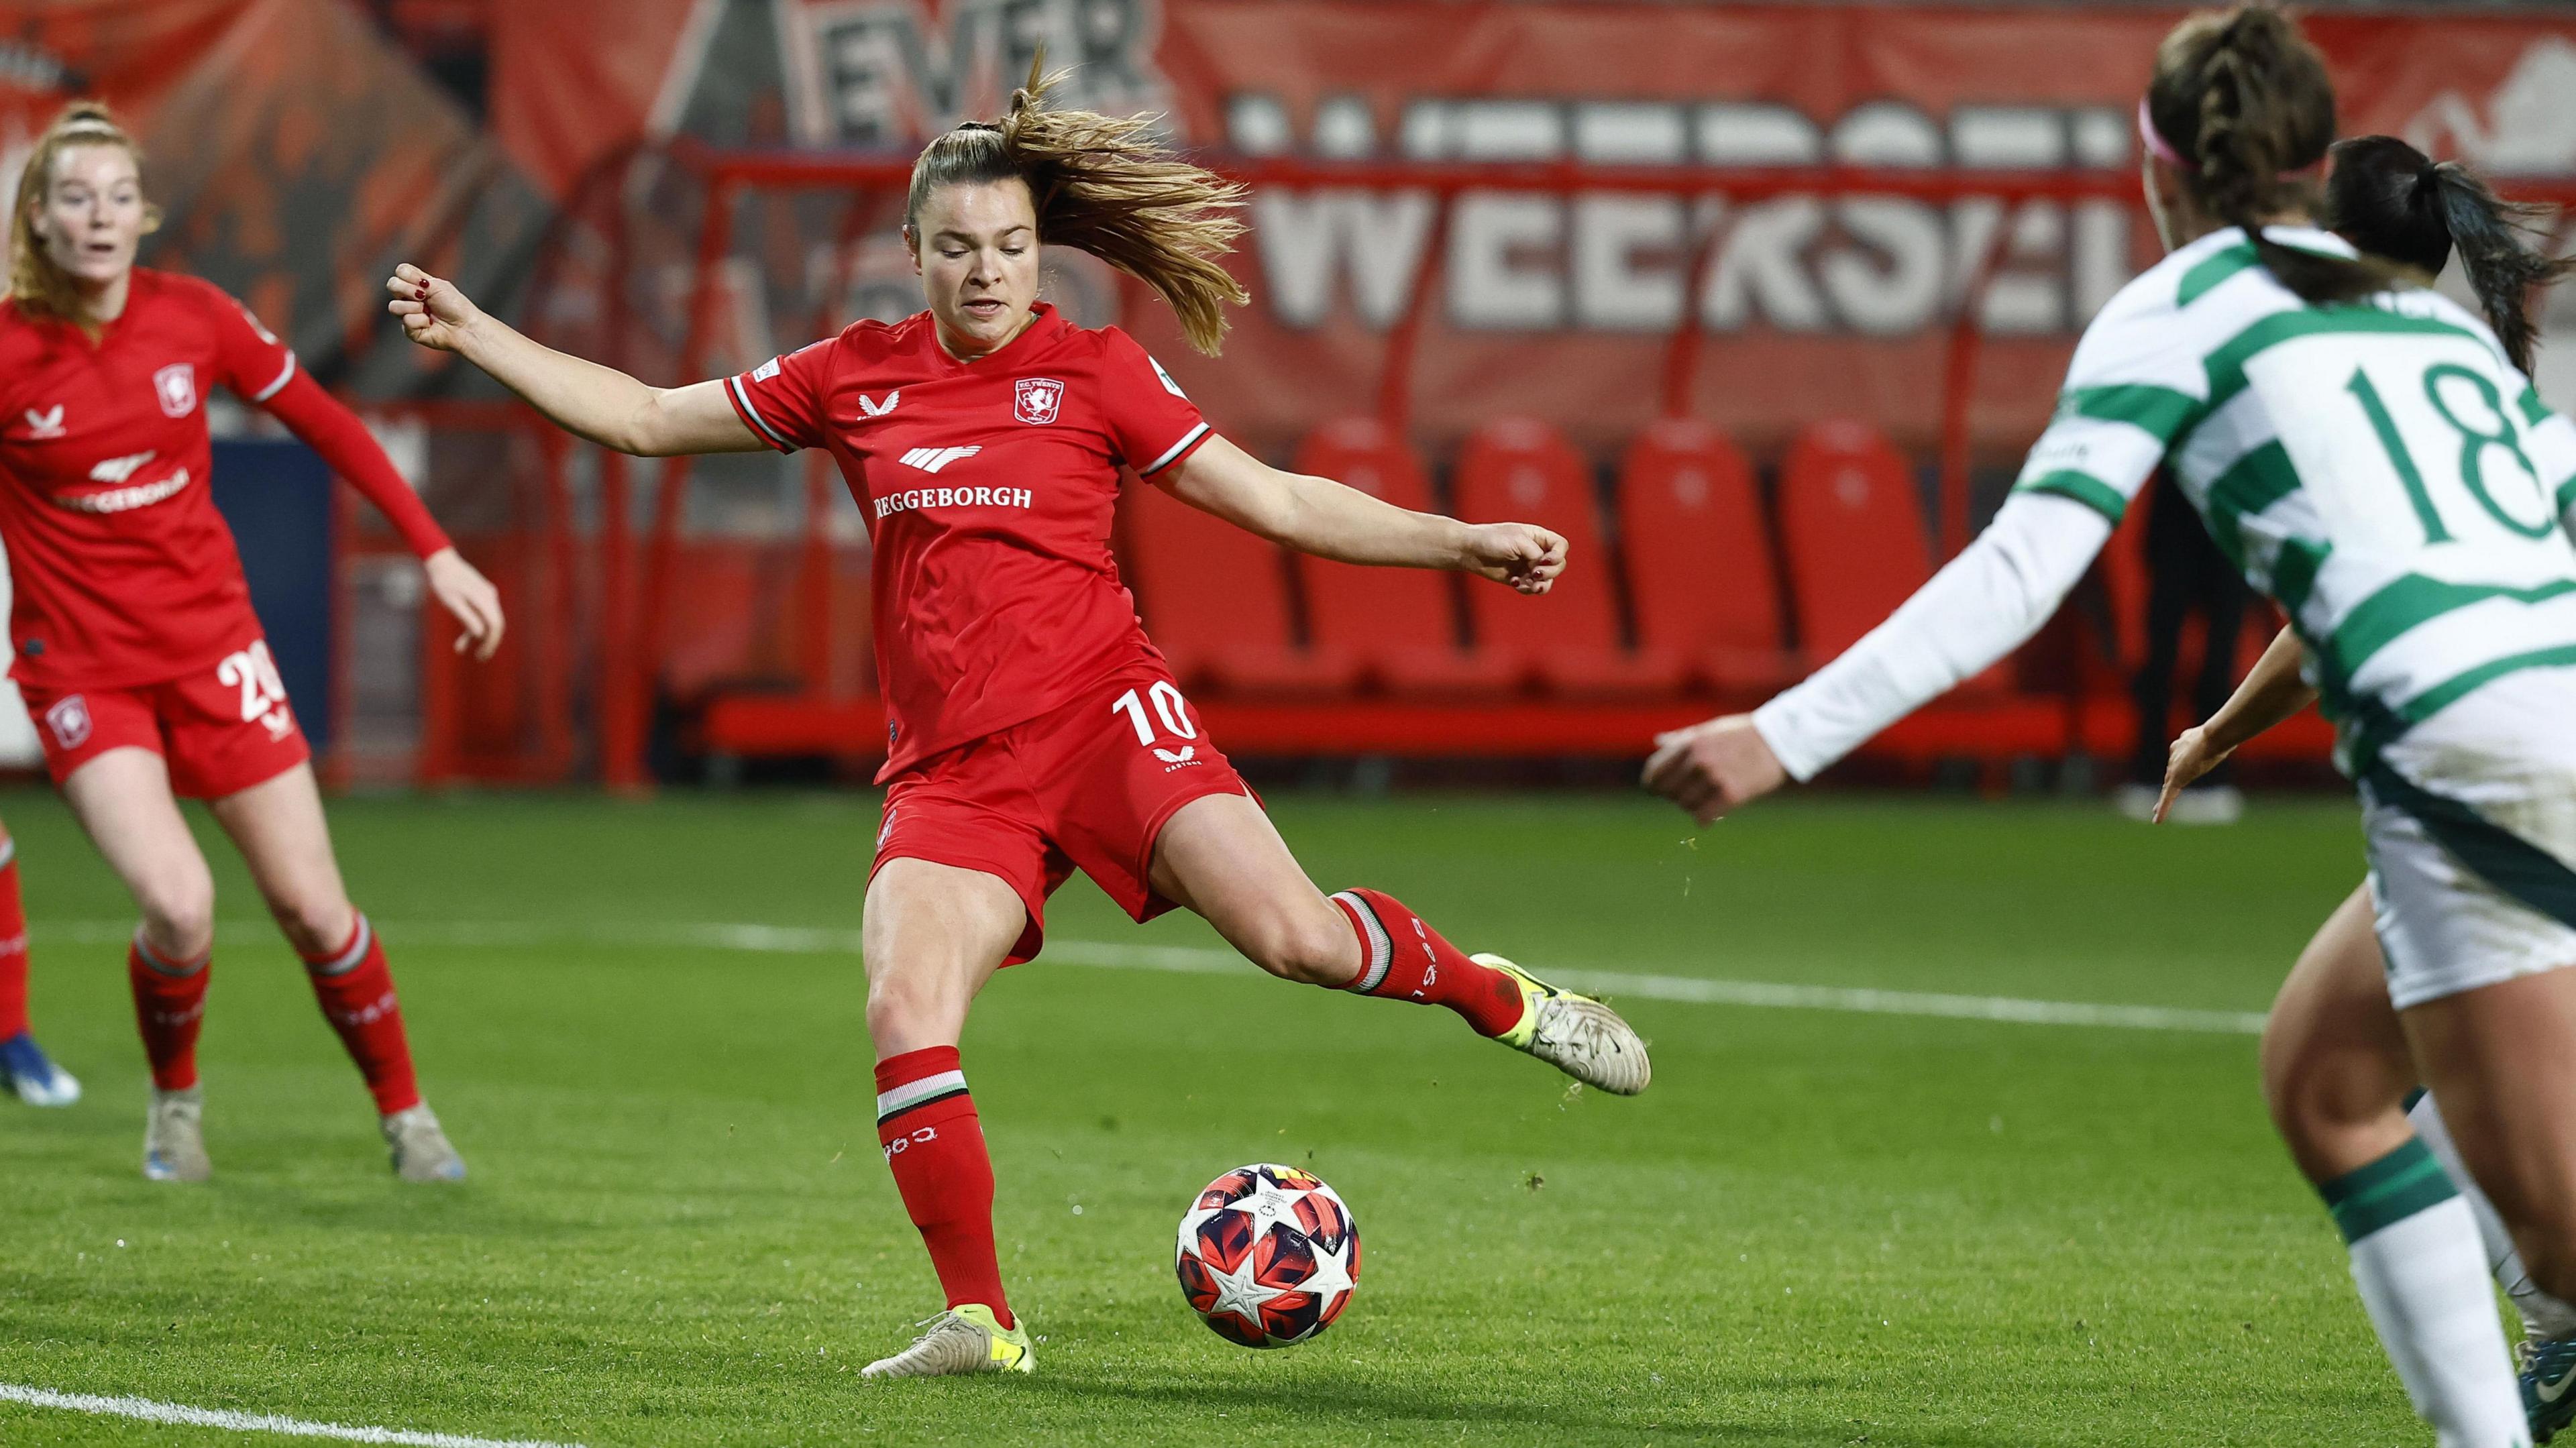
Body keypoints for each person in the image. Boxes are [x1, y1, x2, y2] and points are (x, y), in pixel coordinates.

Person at [387, 66, 1651, 1378]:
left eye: (1010, 248)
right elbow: (648, 419)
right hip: (954, 772)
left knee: (1301, 941)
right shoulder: (853, 377)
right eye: (958, 250)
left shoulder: (1098, 371)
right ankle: (980, 1322)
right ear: (912, 252)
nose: (987, 274)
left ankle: (1500, 998)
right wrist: (480, 334)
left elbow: (1273, 502)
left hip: (1111, 725)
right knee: (903, 1008)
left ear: (1039, 250)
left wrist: (1458, 541)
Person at [1644, 11, 2576, 1444]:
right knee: (2323, 1081)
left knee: (2565, 1257)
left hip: (2472, 762)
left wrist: (1785, 734)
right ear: (2316, 158)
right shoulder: (2420, 316)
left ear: (2158, 167)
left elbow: (2024, 568)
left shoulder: (2185, 307)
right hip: (2537, 716)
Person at [2157, 133, 2576, 1441]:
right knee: (2357, 1078)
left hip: (2497, 792)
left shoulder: (2339, 380)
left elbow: (2329, 613)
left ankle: (2552, 1335)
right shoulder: (2477, 378)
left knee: (2341, 1086)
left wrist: (2219, 731)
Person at [1, 103, 506, 1182]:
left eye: (118, 198)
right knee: (179, 909)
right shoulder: (8, 352)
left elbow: (327, 422)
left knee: (315, 908)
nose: (98, 217)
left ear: (146, 217)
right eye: (74, 199)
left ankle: (407, 1116)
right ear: (37, 220)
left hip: (214, 650)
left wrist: (434, 551)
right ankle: (175, 1106)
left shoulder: (196, 319)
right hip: (83, 673)